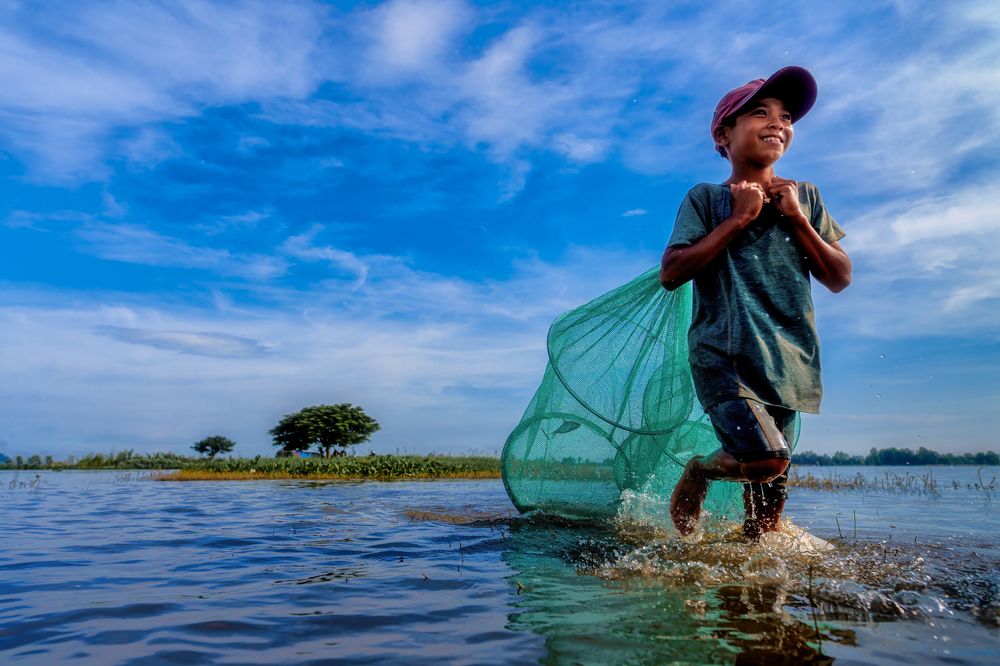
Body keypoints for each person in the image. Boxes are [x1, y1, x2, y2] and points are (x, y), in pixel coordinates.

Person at [659, 66, 852, 539]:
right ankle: (700, 470)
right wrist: (738, 220)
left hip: (790, 361)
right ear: (723, 135)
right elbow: (672, 272)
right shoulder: (706, 199)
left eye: (786, 116)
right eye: (760, 113)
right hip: (725, 356)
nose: (777, 123)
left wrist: (799, 221)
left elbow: (839, 278)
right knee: (766, 458)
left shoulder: (805, 196)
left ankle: (753, 606)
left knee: (765, 524)